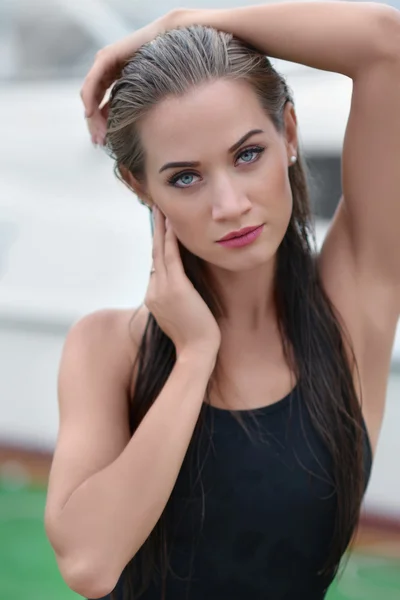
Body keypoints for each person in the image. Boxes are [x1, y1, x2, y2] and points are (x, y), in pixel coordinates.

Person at [44, 2, 400, 600]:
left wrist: (179, 23)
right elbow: (89, 563)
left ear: (288, 134)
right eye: (186, 176)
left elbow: (386, 46)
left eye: (247, 154)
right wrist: (194, 354)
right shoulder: (107, 348)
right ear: (140, 186)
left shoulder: (352, 305)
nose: (229, 203)